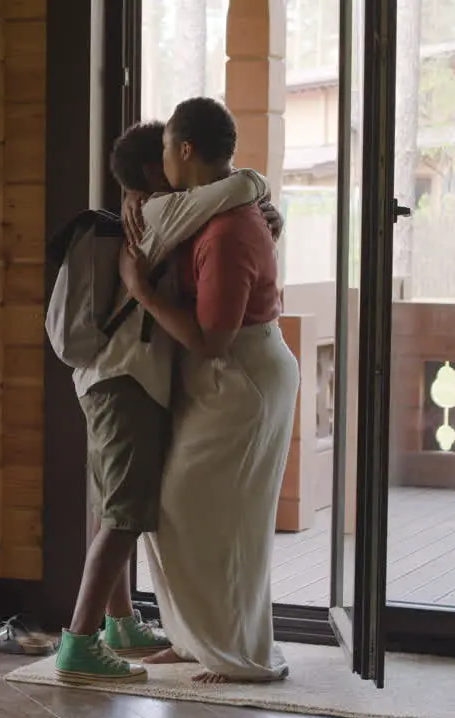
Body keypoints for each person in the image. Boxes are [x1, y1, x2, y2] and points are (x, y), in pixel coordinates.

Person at [54, 120, 276, 684]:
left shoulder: (151, 212)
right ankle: (78, 642)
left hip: (115, 378)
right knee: (127, 514)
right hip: (124, 379)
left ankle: (120, 625)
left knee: (120, 506)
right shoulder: (160, 213)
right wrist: (258, 184)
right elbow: (235, 187)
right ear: (160, 169)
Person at [119, 97, 297, 684]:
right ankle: (194, 639)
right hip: (230, 379)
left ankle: (235, 654)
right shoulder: (216, 206)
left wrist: (143, 293)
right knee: (182, 515)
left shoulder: (226, 228)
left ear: (186, 150)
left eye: (167, 148)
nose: (161, 160)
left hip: (239, 379)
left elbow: (213, 339)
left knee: (214, 520)